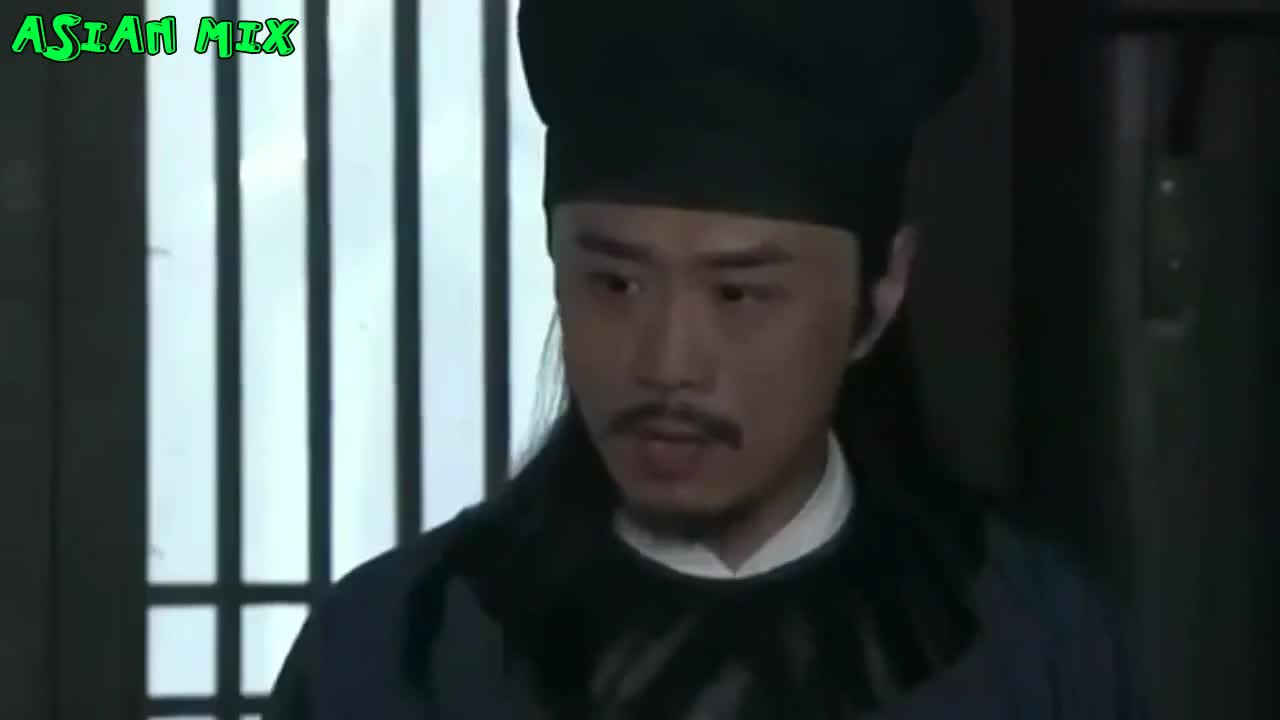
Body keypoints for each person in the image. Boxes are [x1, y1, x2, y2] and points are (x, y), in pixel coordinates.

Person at [265, 0, 1146, 717]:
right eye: (614, 283)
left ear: (880, 295)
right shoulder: (399, 655)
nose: (667, 364)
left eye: (738, 294)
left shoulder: (1027, 644)